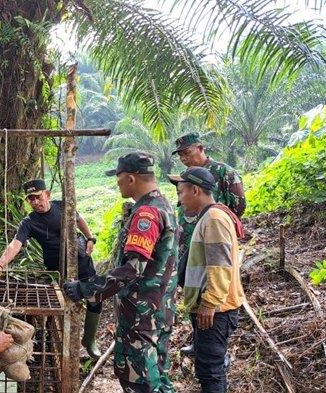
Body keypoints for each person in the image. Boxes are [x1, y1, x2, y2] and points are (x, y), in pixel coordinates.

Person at [62, 152, 178, 392]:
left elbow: (131, 269)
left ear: (131, 179)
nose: (116, 183)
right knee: (159, 379)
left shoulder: (146, 214)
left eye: (118, 178)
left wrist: (86, 289)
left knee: (141, 382)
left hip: (141, 316)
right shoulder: (164, 205)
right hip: (159, 311)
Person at [0, 178, 102, 359]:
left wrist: (90, 238)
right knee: (68, 304)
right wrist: (0, 265)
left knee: (95, 299)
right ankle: (67, 348)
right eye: (30, 199)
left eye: (38, 197)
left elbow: (79, 220)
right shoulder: (29, 222)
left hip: (81, 259)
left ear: (47, 194)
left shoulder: (62, 206)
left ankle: (89, 340)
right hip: (57, 267)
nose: (35, 202)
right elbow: (15, 244)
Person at [169, 167, 245, 393]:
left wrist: (209, 303)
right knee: (208, 369)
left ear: (195, 190)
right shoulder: (210, 216)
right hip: (214, 309)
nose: (180, 200)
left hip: (217, 311)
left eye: (181, 192)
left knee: (211, 372)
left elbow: (220, 265)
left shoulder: (213, 218)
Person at [172, 132, 245, 357]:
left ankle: (214, 352)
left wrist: (217, 227)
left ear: (201, 148)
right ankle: (199, 342)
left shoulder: (223, 172)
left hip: (213, 240)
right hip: (192, 243)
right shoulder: (186, 177)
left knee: (212, 294)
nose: (184, 158)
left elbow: (238, 204)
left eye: (187, 152)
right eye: (181, 155)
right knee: (194, 291)